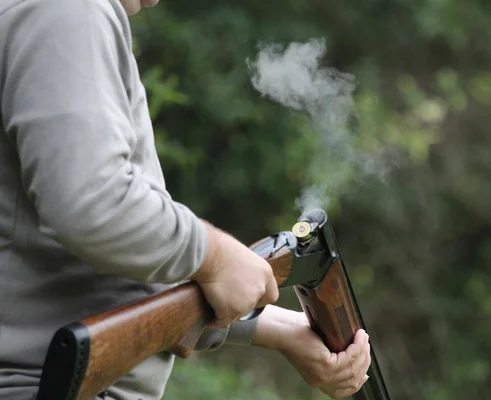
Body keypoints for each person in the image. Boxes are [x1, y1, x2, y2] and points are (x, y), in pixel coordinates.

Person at [0, 0, 372, 399]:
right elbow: (93, 205)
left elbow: (98, 264)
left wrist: (279, 328)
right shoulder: (70, 8)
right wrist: (215, 256)